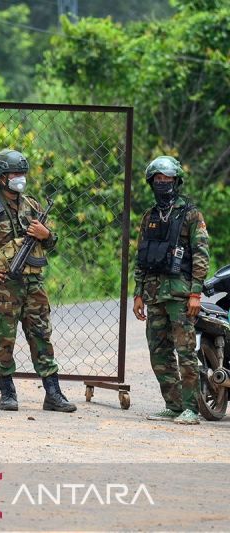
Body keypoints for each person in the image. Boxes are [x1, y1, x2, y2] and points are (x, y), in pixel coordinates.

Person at [0, 149, 76, 412]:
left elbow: (52, 243)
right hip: (5, 285)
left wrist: (46, 234)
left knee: (41, 336)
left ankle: (53, 394)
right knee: (4, 338)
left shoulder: (32, 205)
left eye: (22, 173)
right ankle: (7, 393)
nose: (20, 178)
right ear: (1, 177)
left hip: (34, 284)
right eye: (14, 173)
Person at [133, 155, 209, 425]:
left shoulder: (190, 214)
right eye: (158, 179)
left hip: (180, 295)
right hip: (154, 295)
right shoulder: (149, 216)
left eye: (167, 179)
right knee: (159, 352)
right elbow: (141, 257)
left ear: (176, 182)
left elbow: (201, 255)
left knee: (185, 352)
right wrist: (138, 293)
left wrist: (195, 293)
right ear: (151, 182)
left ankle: (191, 408)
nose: (163, 183)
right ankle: (174, 405)